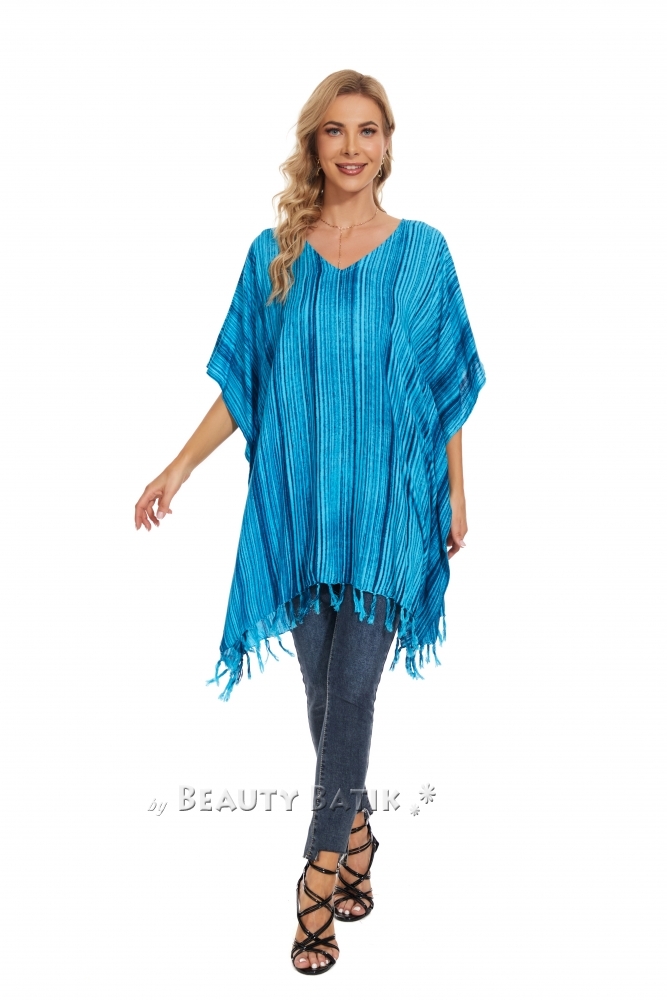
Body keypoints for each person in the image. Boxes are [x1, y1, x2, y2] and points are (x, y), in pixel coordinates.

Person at [134, 69, 486, 975]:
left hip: (387, 510)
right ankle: (358, 829)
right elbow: (243, 384)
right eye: (336, 131)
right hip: (300, 511)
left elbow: (445, 384)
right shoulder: (275, 255)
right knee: (322, 695)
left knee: (354, 691)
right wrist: (177, 466)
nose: (353, 148)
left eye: (368, 130)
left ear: (388, 142)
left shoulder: (423, 253)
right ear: (314, 144)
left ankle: (317, 875)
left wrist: (456, 490)